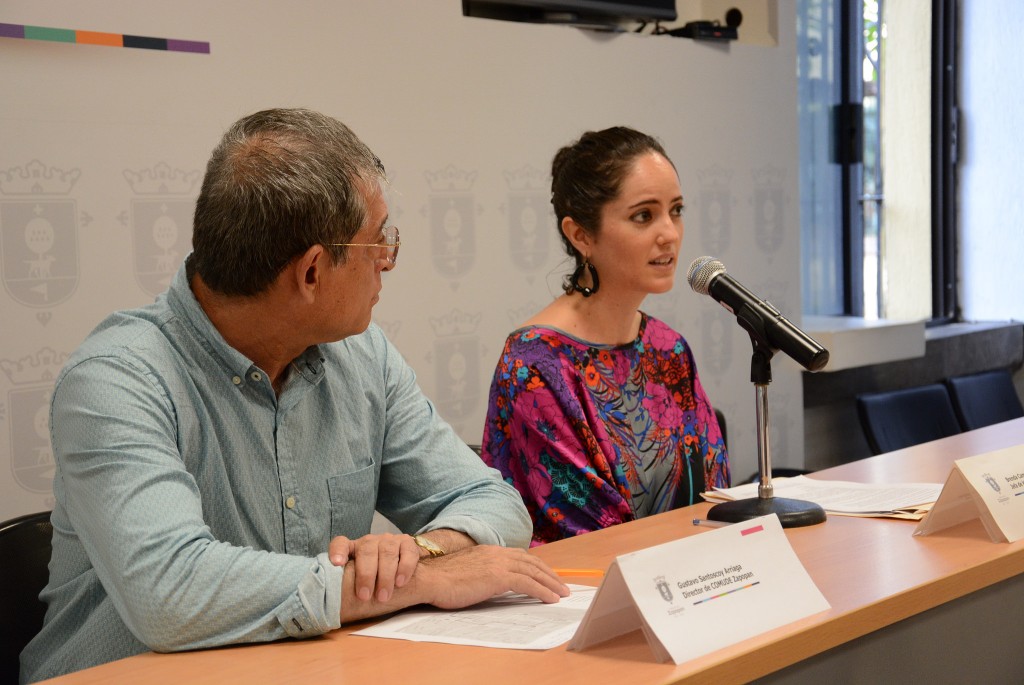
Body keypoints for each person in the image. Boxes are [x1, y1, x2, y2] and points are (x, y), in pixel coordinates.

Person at [20, 108, 568, 684]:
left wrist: (421, 553)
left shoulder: (364, 357)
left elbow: (492, 501)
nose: (388, 259)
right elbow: (170, 591)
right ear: (311, 272)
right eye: (380, 240)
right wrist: (414, 583)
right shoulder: (115, 379)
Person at [480, 127, 730, 546]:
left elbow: (713, 494)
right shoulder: (535, 365)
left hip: (688, 582)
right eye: (643, 216)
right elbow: (589, 534)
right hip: (581, 596)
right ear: (581, 236)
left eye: (677, 210)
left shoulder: (668, 349)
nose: (669, 233)